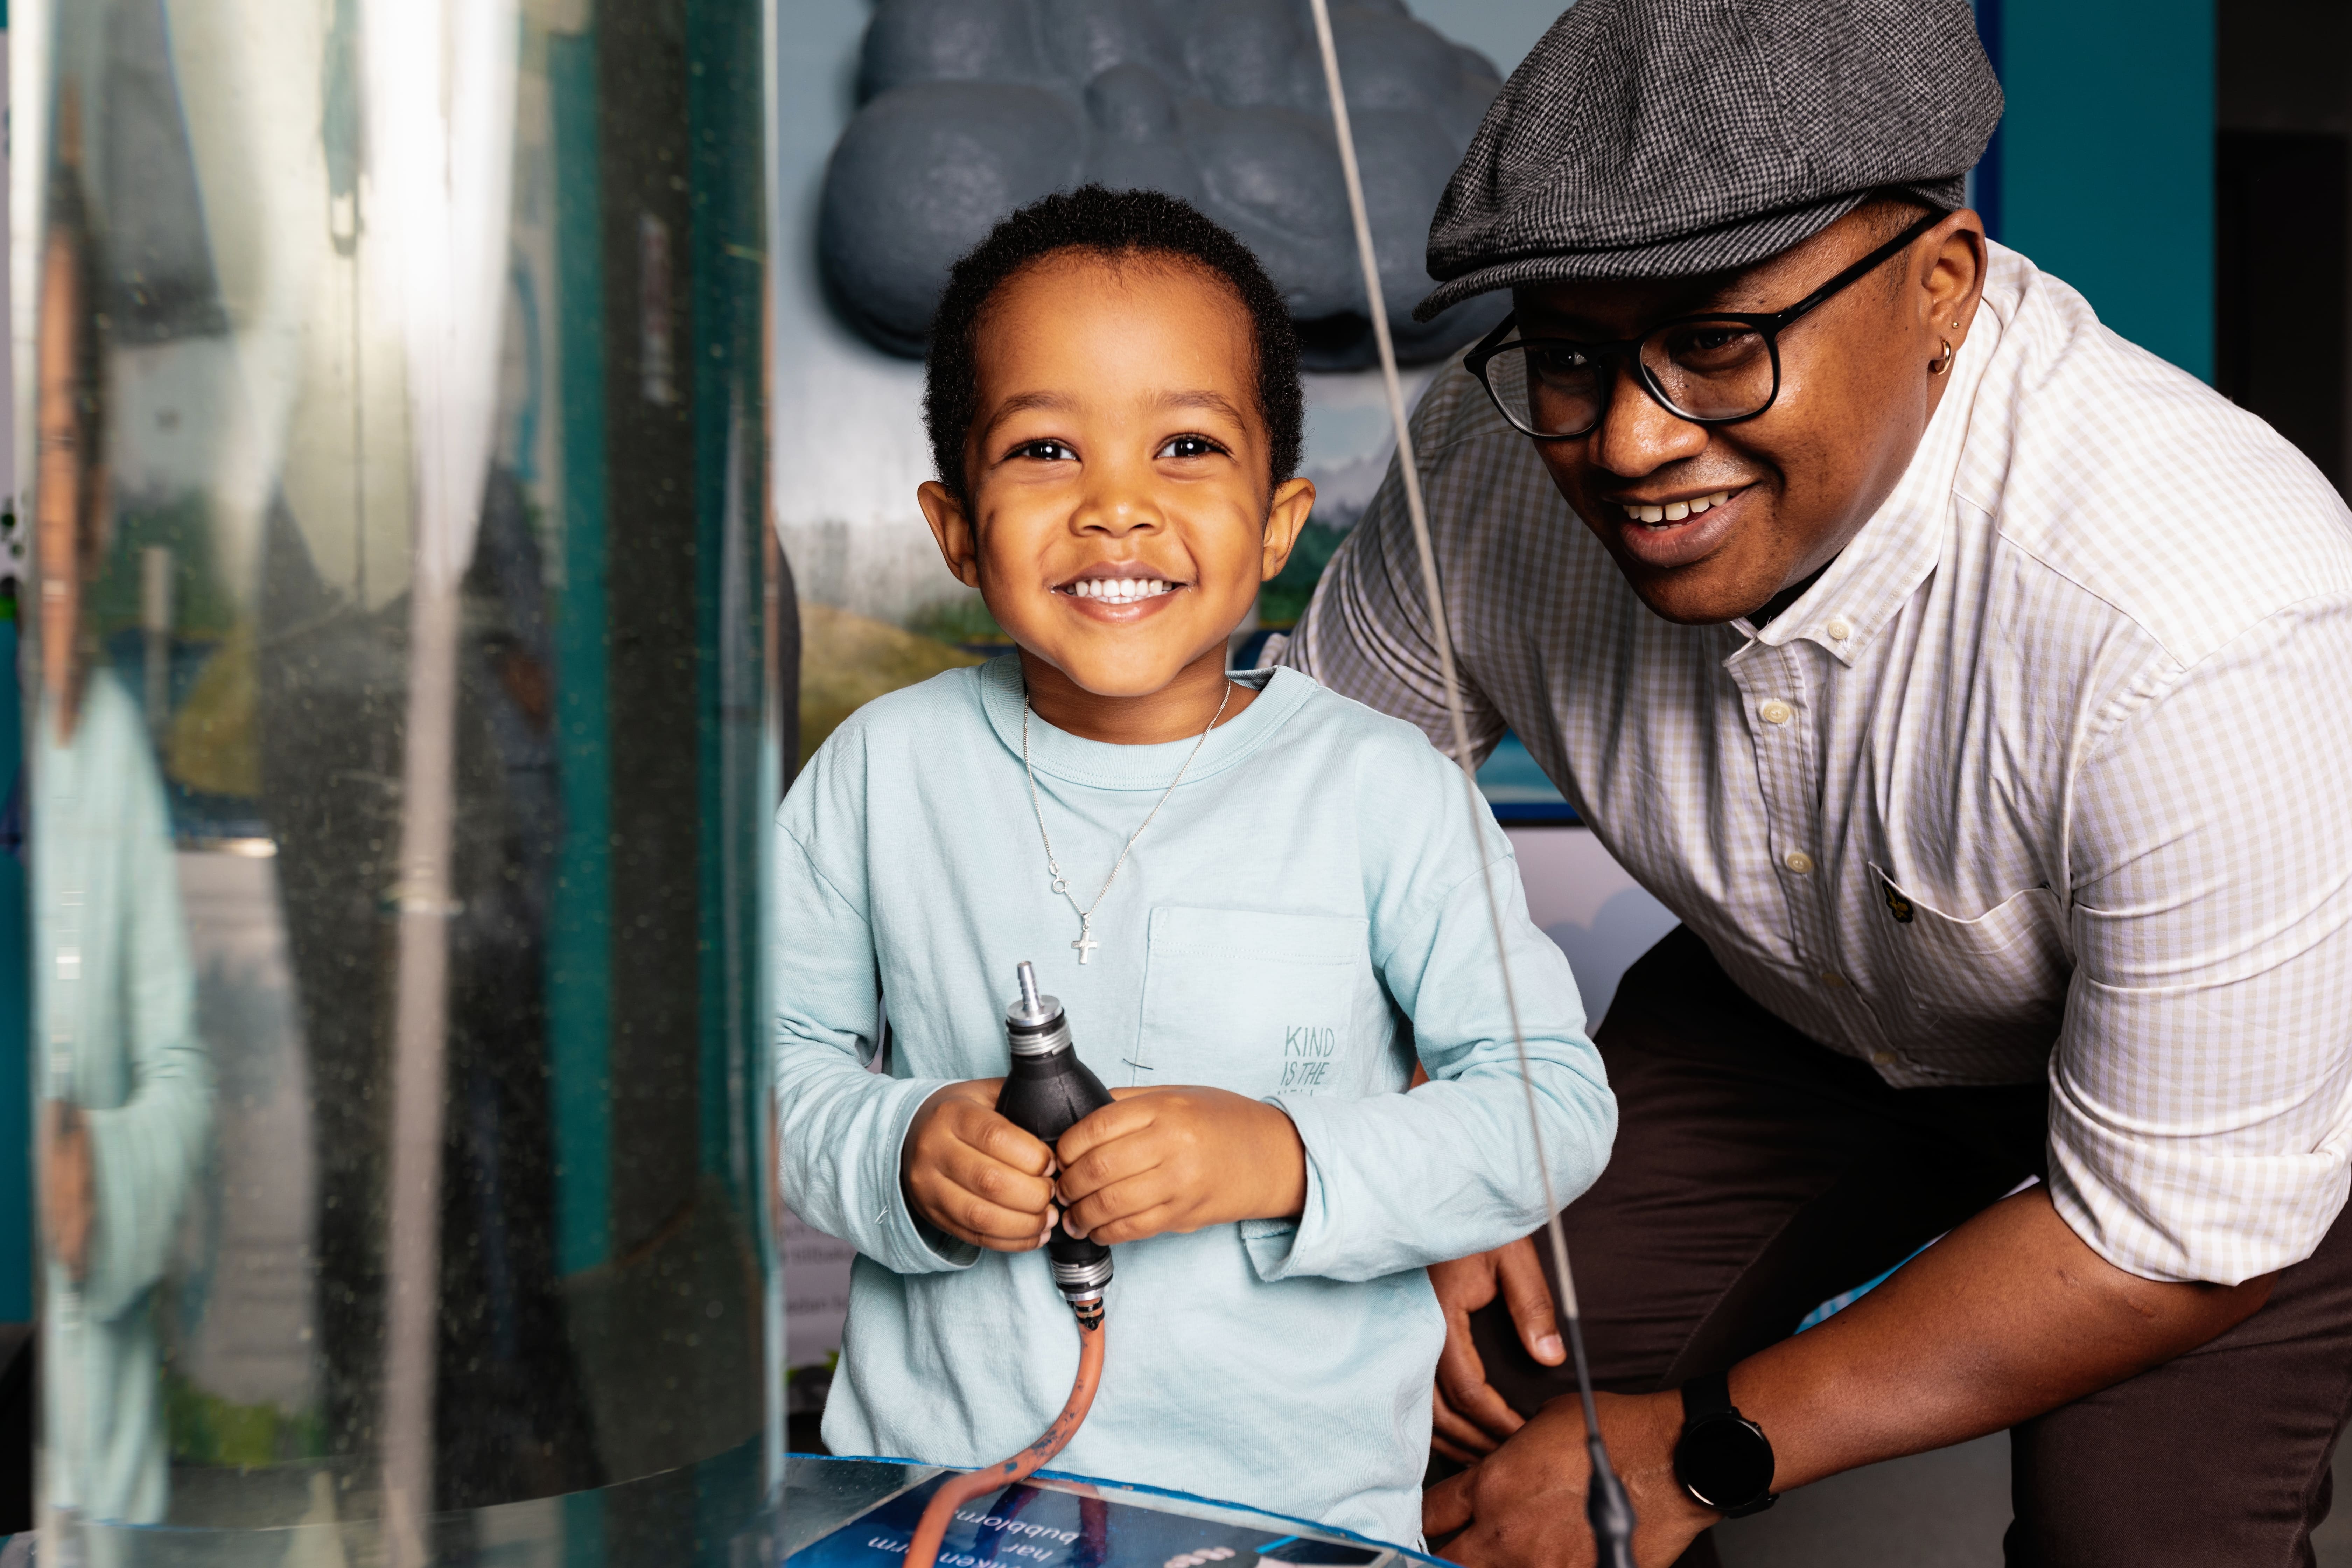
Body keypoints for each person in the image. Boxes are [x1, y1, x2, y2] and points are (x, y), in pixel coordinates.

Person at [1276, 1, 2352, 1563]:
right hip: (1792, 1013)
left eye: (1719, 341)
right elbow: (1311, 818)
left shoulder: (2210, 620)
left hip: (2217, 1118)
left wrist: (1700, 1454)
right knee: (1469, 1404)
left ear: (1943, 288)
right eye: (1571, 352)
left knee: (2131, 1542)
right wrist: (1430, 1129)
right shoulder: (1493, 461)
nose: (1632, 442)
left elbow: (2169, 1229)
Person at [771, 186, 1616, 1546]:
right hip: (939, 1503)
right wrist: (900, 1149)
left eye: (1185, 446)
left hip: (1291, 1516)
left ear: (1278, 528)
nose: (1117, 508)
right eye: (1047, 447)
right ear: (954, 527)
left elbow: (1552, 1108)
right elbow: (769, 1073)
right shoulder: (879, 772)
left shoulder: (1383, 789)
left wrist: (1281, 1157)